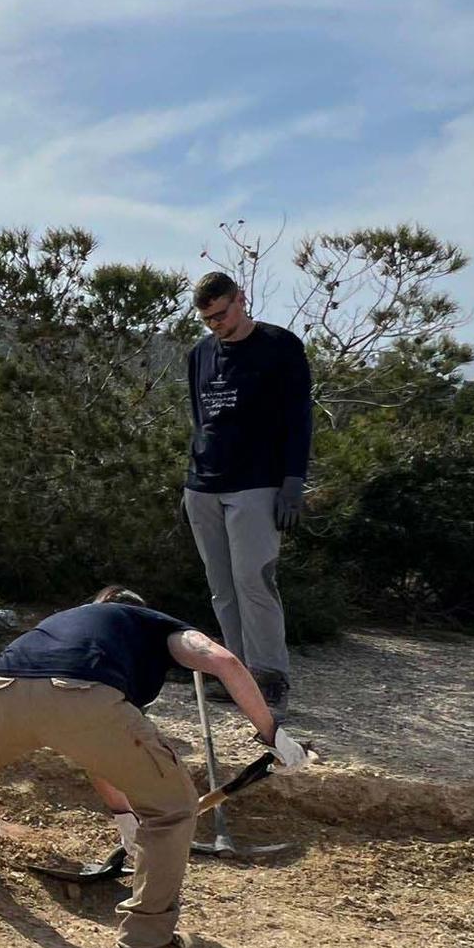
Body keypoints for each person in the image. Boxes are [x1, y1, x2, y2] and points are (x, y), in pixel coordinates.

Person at [0, 586, 307, 948]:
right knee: (173, 808)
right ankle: (146, 938)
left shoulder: (65, 624)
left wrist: (126, 819)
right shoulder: (151, 624)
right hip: (83, 695)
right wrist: (273, 737)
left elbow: (100, 755)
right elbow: (224, 662)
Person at [183, 271, 314, 708]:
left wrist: (293, 482)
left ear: (241, 299)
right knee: (221, 586)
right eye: (208, 319)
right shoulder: (200, 354)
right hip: (204, 485)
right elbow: (200, 417)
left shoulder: (280, 346)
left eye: (222, 314)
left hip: (257, 482)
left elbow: (299, 417)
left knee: (254, 581)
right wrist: (195, 472)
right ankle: (236, 673)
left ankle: (270, 676)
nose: (217, 324)